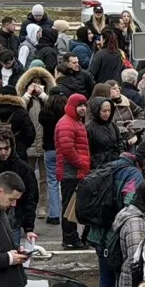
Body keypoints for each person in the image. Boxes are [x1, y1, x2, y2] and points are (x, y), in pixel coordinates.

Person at [54, 92, 91, 249]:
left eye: (84, 105)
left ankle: (73, 238)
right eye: (80, 106)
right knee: (69, 208)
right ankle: (70, 239)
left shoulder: (76, 122)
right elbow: (67, 149)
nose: (83, 108)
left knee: (72, 207)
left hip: (75, 171)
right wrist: (82, 163)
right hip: (71, 172)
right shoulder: (67, 123)